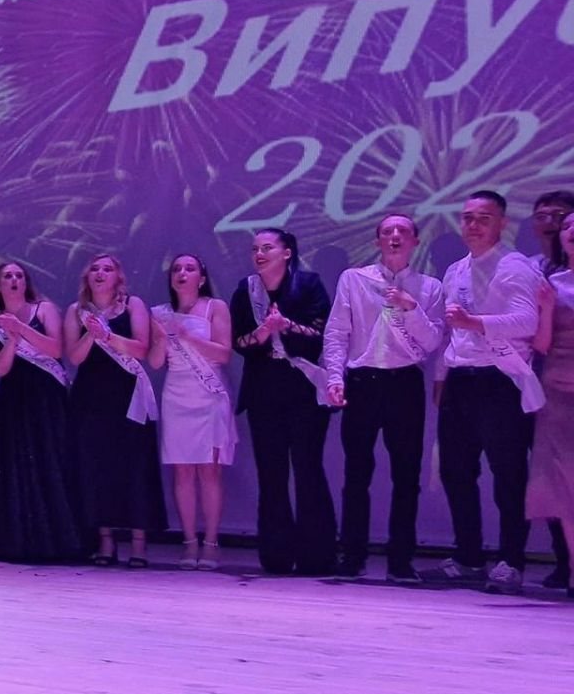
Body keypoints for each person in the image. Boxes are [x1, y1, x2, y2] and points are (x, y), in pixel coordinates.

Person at [427, 191, 543, 594]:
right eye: (467, 218)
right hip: (461, 379)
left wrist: (476, 322)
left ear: (502, 224)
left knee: (508, 473)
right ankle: (469, 556)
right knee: (456, 470)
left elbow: (527, 320)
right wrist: (441, 378)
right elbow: (450, 332)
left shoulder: (515, 266)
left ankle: (511, 560)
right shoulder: (456, 269)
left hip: (500, 379)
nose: (473, 225)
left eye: (483, 218)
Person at [320, 214, 443, 583]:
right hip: (363, 381)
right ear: (377, 242)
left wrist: (410, 307)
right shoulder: (354, 279)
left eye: (403, 231)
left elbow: (433, 341)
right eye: (387, 232)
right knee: (357, 473)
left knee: (407, 475)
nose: (395, 236)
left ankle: (400, 560)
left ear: (415, 242)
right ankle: (352, 555)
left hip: (405, 383)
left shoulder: (430, 287)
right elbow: (337, 332)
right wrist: (334, 377)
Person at [230, 228, 336, 576]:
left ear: (287, 252)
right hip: (264, 390)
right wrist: (264, 331)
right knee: (271, 473)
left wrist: (286, 325)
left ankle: (316, 556)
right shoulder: (245, 290)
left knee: (308, 469)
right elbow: (238, 342)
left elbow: (321, 333)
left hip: (304, 388)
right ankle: (276, 555)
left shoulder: (308, 284)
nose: (259, 254)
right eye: (255, 249)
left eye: (267, 248)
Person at [63, 254, 164, 567]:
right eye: (94, 268)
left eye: (107, 269)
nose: (100, 273)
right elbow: (74, 358)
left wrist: (107, 336)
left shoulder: (133, 305)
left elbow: (141, 349)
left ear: (118, 277)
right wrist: (92, 336)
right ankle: (105, 541)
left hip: (127, 394)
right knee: (96, 466)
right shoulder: (77, 311)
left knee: (135, 465)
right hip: (91, 397)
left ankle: (138, 543)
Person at [0, 261, 81, 563]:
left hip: (47, 395)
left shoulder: (44, 309)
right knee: (17, 464)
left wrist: (20, 328)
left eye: (19, 275)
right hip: (15, 397)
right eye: (7, 276)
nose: (14, 280)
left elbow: (56, 350)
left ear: (26, 282)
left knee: (51, 460)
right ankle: (19, 541)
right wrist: (11, 339)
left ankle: (62, 541)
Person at [147, 254, 235, 571]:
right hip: (176, 394)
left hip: (208, 394)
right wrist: (161, 339)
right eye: (176, 269)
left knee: (209, 470)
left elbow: (224, 354)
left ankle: (211, 542)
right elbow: (155, 362)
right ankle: (188, 541)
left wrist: (188, 337)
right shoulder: (160, 314)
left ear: (202, 278)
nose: (182, 273)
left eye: (189, 268)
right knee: (182, 470)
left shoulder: (215, 307)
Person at [525, 191, 574, 589]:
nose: (570, 229)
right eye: (568, 227)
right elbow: (539, 344)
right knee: (564, 484)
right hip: (556, 388)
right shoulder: (549, 283)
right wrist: (543, 308)